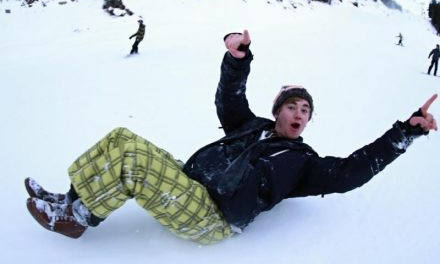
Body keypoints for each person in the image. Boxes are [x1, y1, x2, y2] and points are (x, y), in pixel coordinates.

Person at [25, 30, 438, 244]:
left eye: (306, 111)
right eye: (293, 107)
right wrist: (236, 60)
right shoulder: (250, 124)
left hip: (212, 218)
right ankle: (71, 199)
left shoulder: (303, 163)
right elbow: (229, 97)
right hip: (191, 184)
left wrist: (404, 133)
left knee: (133, 161)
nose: (299, 114)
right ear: (277, 112)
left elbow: (352, 171)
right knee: (121, 137)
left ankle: (79, 220)